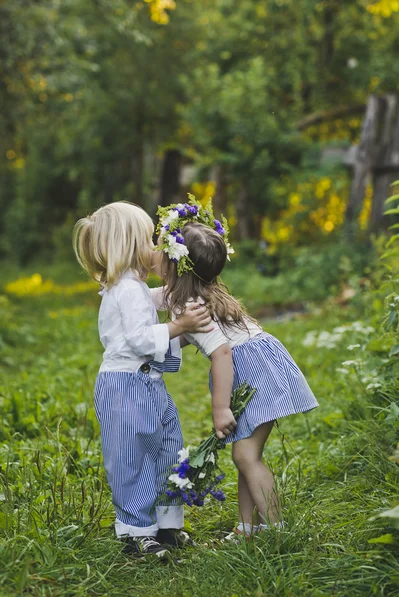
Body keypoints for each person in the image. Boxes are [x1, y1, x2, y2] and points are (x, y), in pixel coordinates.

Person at [153, 199, 319, 541]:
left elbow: (222, 351)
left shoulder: (189, 302)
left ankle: (277, 533)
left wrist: (221, 408)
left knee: (246, 455)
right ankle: (247, 529)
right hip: (257, 366)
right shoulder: (199, 293)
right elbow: (170, 318)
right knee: (244, 453)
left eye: (163, 253)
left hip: (253, 374)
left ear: (176, 266)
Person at [72, 201, 212, 558]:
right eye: (149, 239)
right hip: (124, 388)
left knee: (168, 448)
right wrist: (181, 326)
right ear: (130, 245)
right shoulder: (126, 291)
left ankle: (167, 526)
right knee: (130, 457)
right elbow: (138, 338)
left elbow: (158, 300)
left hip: (148, 386)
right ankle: (136, 532)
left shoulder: (132, 288)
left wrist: (188, 290)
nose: (156, 247)